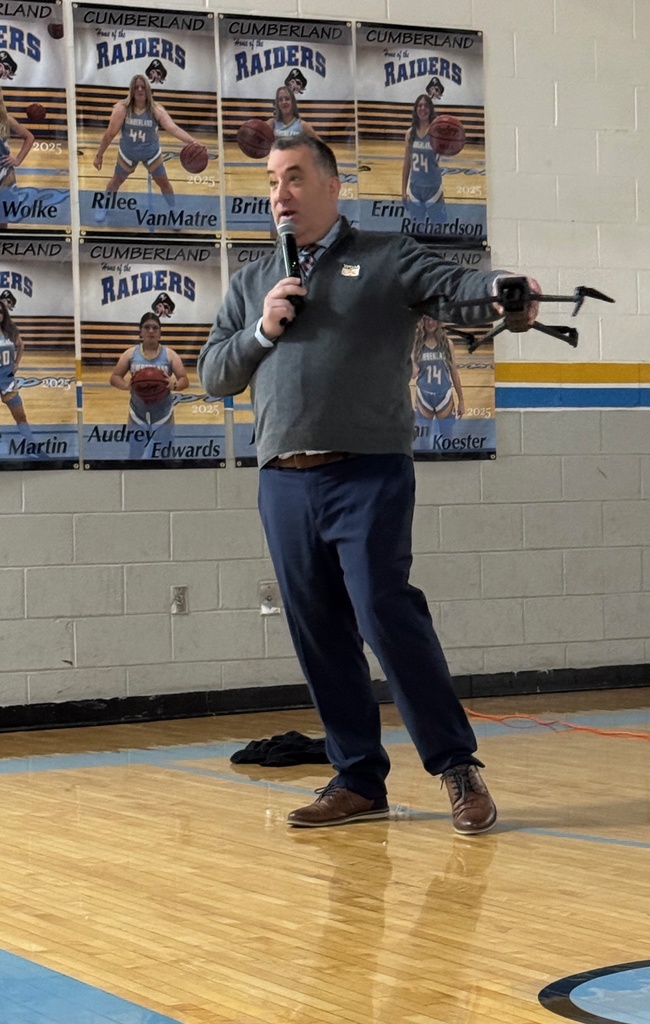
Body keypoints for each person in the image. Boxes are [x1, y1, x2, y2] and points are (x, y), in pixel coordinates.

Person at [198, 134, 538, 835]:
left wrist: (506, 291)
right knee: (317, 630)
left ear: (332, 186)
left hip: (368, 471)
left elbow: (455, 288)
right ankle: (357, 781)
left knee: (385, 612)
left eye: (295, 178)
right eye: (272, 181)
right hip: (283, 481)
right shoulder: (254, 280)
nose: (280, 194)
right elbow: (213, 374)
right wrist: (262, 330)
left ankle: (456, 765)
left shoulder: (385, 256)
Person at [92, 74, 200, 205]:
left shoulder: (156, 110)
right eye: (136, 87)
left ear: (148, 89)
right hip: (128, 153)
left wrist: (193, 142)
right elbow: (109, 134)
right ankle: (104, 206)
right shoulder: (122, 109)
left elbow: (174, 129)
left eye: (143, 87)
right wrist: (99, 155)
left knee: (164, 182)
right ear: (131, 90)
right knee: (116, 181)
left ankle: (173, 209)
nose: (139, 90)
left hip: (151, 154)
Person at [110, 310, 189, 459]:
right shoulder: (130, 354)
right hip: (137, 412)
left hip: (163, 412)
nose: (151, 331)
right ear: (140, 331)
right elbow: (114, 377)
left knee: (165, 454)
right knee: (135, 453)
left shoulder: (170, 355)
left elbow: (184, 379)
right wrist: (126, 385)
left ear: (160, 332)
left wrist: (174, 385)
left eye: (155, 328)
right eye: (147, 327)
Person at [0, 289, 37, 452]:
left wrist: (16, 363)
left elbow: (21, 345)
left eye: (1, 312)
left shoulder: (10, 330)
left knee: (21, 416)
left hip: (7, 379)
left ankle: (31, 444)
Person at [402, 93, 446, 227]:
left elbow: (448, 149)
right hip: (415, 189)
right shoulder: (410, 133)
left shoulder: (437, 132)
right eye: (419, 105)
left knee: (439, 228)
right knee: (417, 229)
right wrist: (403, 191)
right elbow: (407, 163)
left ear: (430, 109)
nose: (423, 108)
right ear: (415, 109)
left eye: (426, 106)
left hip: (433, 188)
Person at [412, 314, 465, 420]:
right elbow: (413, 374)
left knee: (447, 430)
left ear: (439, 321)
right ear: (422, 321)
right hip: (423, 395)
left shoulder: (447, 344)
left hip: (444, 395)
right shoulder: (416, 344)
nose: (430, 322)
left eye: (434, 319)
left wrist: (461, 400)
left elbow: (454, 372)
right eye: (427, 319)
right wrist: (411, 358)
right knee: (423, 431)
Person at [0, 89, 34, 189]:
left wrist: (18, 160)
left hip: (4, 174)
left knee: (7, 198)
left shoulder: (5, 119)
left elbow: (29, 137)